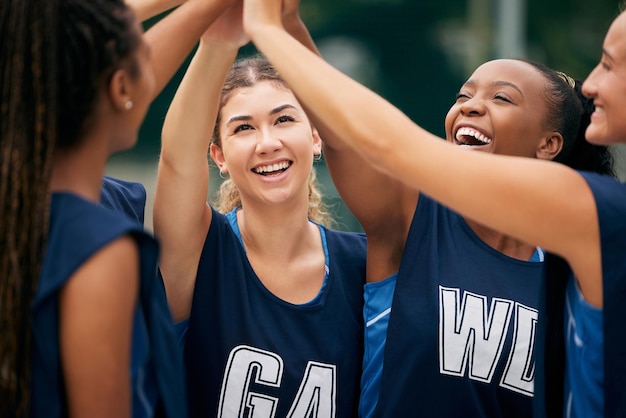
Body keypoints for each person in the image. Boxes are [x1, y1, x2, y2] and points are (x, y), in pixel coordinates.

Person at [242, 1, 626, 417]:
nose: (471, 105)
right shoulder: (413, 214)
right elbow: (343, 137)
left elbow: (393, 142)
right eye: (464, 95)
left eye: (501, 98)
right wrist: (284, 23)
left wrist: (269, 27)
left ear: (548, 144)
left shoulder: (575, 263)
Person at [0, 0, 239, 416]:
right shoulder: (98, 250)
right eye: (142, 54)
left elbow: (47, 43)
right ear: (121, 88)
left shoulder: (25, 203)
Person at [152, 3, 366, 417]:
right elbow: (177, 159)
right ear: (218, 155)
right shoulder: (199, 252)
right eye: (243, 128)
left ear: (317, 138)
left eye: (284, 120)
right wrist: (217, 42)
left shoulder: (363, 264)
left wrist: (287, 24)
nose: (267, 142)